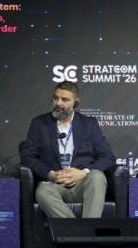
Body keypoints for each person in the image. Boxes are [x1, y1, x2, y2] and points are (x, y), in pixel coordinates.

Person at [21, 82, 115, 219]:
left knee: (97, 177)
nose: (59, 103)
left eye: (64, 99)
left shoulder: (89, 124)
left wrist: (83, 173)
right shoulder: (39, 123)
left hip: (82, 182)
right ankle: (82, 230)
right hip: (55, 183)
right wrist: (51, 174)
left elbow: (108, 157)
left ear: (75, 103)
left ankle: (82, 229)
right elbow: (28, 157)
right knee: (42, 191)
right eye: (56, 98)